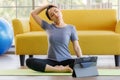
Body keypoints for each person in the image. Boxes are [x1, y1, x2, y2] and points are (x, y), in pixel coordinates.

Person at [26, 4, 82, 73]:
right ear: (50, 19)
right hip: (51, 61)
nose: (55, 15)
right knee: (29, 61)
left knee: (81, 63)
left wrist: (81, 61)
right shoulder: (48, 27)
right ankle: (58, 69)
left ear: (60, 11)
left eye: (56, 11)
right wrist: (47, 5)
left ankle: (56, 68)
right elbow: (33, 13)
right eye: (52, 15)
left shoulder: (71, 28)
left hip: (67, 60)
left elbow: (76, 47)